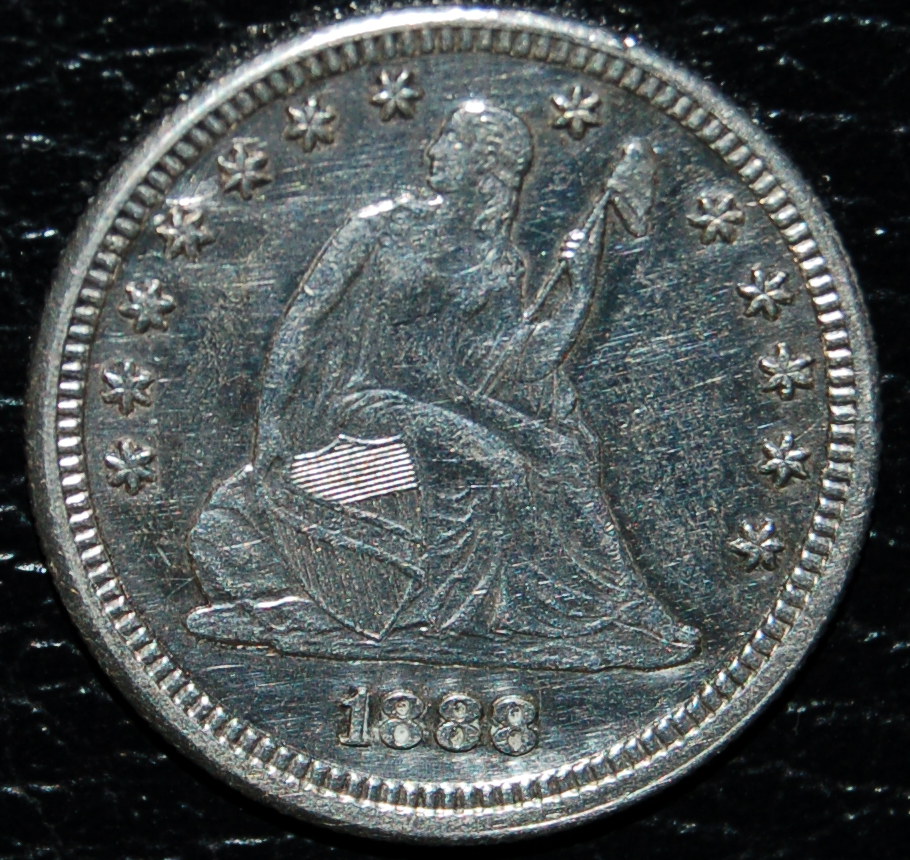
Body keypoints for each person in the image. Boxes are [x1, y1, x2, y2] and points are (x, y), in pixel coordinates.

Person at [186, 100, 699, 671]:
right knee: (499, 463)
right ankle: (460, 615)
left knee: (562, 455)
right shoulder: (380, 227)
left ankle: (626, 607)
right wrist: (272, 423)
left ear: (484, 168)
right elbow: (304, 321)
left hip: (450, 402)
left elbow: (519, 364)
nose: (433, 151)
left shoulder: (497, 261)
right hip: (367, 401)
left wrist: (577, 295)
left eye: (451, 142)